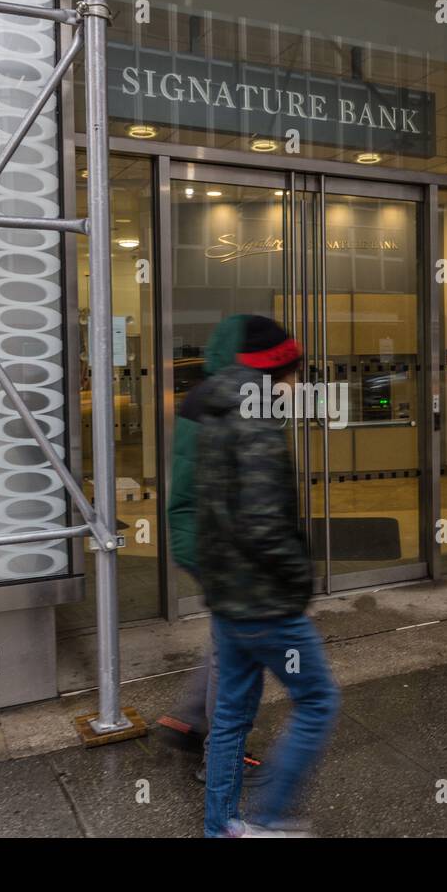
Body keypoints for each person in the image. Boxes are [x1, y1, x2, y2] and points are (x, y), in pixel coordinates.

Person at [195, 315, 339, 837]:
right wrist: (298, 579)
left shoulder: (217, 411)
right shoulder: (256, 421)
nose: (300, 385)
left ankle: (223, 828)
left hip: (227, 601)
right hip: (263, 602)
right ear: (279, 372)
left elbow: (212, 512)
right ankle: (269, 819)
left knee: (231, 719)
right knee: (319, 700)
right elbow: (260, 523)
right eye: (297, 375)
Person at [158, 314, 246, 781]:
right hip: (215, 547)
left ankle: (189, 718)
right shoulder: (222, 403)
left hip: (203, 540)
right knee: (235, 650)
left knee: (225, 642)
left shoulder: (211, 395)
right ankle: (220, 757)